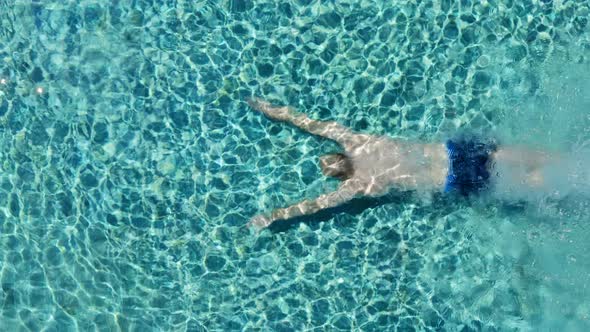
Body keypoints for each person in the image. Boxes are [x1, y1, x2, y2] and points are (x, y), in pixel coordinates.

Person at [246, 97, 557, 230]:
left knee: (529, 177)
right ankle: (574, 172)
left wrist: (273, 216)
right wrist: (273, 110)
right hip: (454, 154)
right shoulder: (355, 142)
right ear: (339, 156)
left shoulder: (356, 185)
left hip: (453, 175)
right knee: (531, 161)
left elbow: (314, 204)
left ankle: (573, 179)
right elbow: (310, 124)